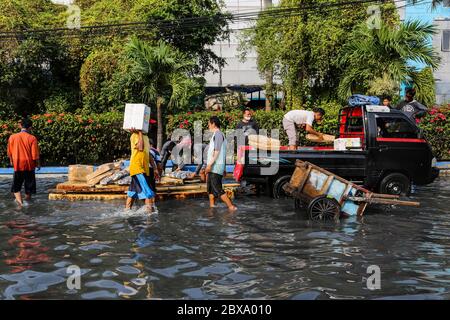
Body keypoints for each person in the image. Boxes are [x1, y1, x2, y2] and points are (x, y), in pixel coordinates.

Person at [7, 118, 40, 207]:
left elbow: (9, 152)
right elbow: (34, 155)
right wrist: (38, 164)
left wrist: (11, 161)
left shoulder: (12, 137)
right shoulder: (32, 138)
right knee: (29, 186)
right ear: (30, 127)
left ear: (20, 126)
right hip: (29, 165)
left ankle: (20, 204)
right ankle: (27, 202)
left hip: (18, 164)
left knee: (16, 186)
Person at [206, 116, 237, 211]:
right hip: (215, 167)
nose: (208, 125)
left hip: (215, 166)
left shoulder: (218, 134)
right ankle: (212, 206)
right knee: (210, 188)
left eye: (209, 123)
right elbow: (223, 153)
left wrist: (209, 165)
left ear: (213, 124)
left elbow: (217, 151)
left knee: (217, 188)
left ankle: (231, 207)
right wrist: (224, 169)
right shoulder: (216, 135)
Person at [126, 130, 155, 213]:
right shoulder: (134, 135)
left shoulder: (146, 137)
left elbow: (148, 154)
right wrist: (139, 132)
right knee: (148, 192)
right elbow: (141, 148)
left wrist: (155, 168)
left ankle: (126, 212)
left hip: (144, 169)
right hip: (137, 168)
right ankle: (150, 217)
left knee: (132, 192)